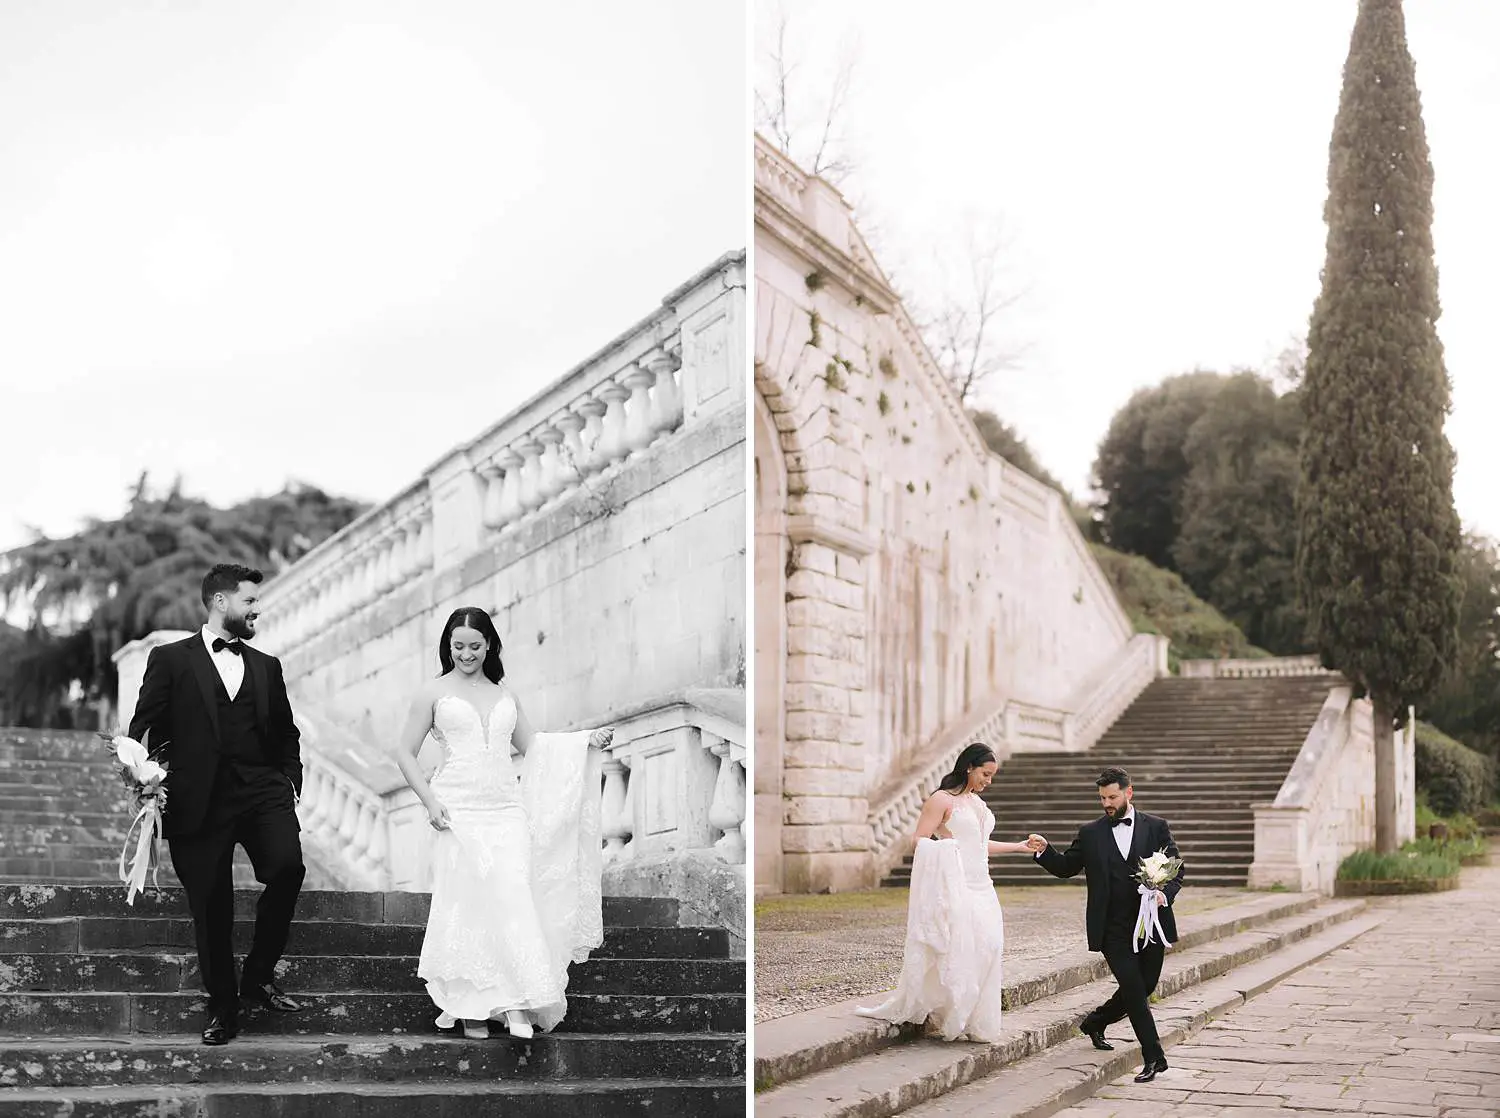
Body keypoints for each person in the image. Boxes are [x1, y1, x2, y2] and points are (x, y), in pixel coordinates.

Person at [392, 606, 613, 1040]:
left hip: (506, 808)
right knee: (469, 900)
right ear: (447, 646)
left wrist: (584, 742)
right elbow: (403, 751)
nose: (466, 654)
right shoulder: (432, 693)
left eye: (474, 646)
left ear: (489, 645)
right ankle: (471, 1006)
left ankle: (515, 1002)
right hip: (457, 808)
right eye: (457, 646)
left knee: (513, 896)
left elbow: (535, 747)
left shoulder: (505, 694)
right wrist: (430, 801)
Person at [128, 563, 306, 1047]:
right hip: (196, 800)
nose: (257, 609)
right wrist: (144, 776)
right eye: (250, 600)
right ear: (221, 602)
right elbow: (141, 729)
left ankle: (259, 975)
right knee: (212, 907)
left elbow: (286, 731)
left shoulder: (268, 666)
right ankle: (224, 1008)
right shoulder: (170, 659)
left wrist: (290, 778)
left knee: (288, 868)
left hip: (262, 790)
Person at [856, 742, 1044, 1042]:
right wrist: (948, 848)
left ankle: (974, 1018)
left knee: (990, 947)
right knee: (964, 949)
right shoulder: (942, 800)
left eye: (992, 776)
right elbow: (918, 840)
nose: (988, 781)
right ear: (969, 767)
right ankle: (955, 1016)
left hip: (984, 886)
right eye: (985, 773)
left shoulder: (978, 804)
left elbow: (981, 846)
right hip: (957, 884)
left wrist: (1019, 847)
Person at [1029, 765, 1186, 1083]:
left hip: (1150, 924)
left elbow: (1175, 869)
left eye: (1112, 796)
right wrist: (1045, 851)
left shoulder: (1156, 827)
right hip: (1112, 928)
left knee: (1145, 987)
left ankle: (1096, 1021)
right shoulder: (1091, 833)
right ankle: (1154, 1057)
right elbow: (1066, 867)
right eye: (1102, 798)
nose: (1107, 803)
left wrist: (1162, 894)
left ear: (1129, 792)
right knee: (1134, 991)